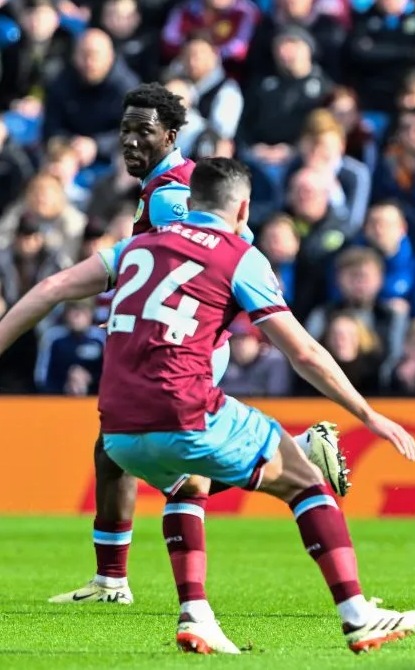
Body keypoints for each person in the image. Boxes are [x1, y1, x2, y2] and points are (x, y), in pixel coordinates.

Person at [0, 158, 415, 655]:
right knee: (306, 480)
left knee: (191, 479)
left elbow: (52, 287)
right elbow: (304, 352)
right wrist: (368, 414)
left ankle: (196, 614)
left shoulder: (133, 247)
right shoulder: (240, 255)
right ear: (244, 208)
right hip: (185, 409)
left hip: (119, 432)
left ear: (189, 204)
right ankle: (358, 615)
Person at [47, 83, 342, 606]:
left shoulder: (169, 195)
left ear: (170, 135)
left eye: (143, 132)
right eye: (125, 131)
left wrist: (147, 320)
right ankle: (113, 582)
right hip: (182, 336)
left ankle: (297, 455)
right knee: (118, 453)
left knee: (161, 460)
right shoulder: (170, 184)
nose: (130, 142)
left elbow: (195, 263)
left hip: (185, 342)